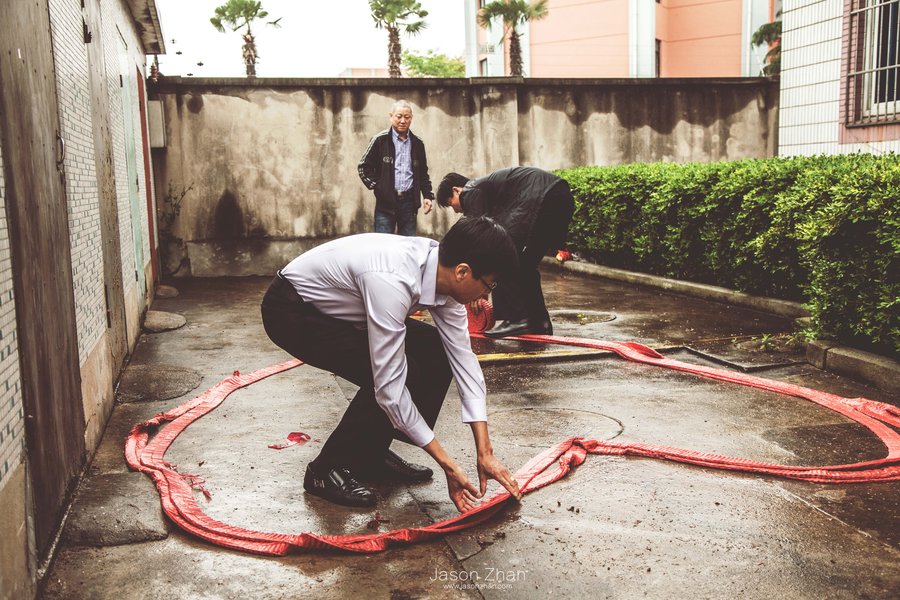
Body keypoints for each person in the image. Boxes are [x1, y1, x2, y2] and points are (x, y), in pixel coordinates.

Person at [260, 216, 523, 512]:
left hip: (343, 313)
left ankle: (371, 453)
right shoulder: (392, 278)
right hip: (293, 312)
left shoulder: (443, 276)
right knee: (391, 375)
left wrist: (485, 452)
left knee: (436, 352)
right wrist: (447, 463)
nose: (487, 295)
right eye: (489, 284)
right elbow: (390, 389)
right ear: (463, 272)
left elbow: (463, 359)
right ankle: (324, 471)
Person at [436, 167, 575, 338]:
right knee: (525, 265)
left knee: (502, 255)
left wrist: (477, 288)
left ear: (456, 190)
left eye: (452, 205)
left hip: (543, 196)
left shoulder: (471, 190)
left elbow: (475, 238)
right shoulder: (489, 191)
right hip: (559, 194)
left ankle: (516, 318)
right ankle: (539, 321)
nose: (457, 211)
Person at [358, 99, 435, 236]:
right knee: (383, 245)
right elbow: (363, 167)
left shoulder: (417, 143)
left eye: (407, 117)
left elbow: (423, 173)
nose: (402, 121)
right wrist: (380, 187)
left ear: (411, 118)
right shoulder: (380, 140)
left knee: (407, 246)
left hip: (409, 204)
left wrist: (428, 196)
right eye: (399, 116)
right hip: (385, 204)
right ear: (391, 116)